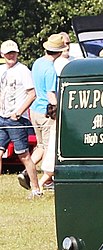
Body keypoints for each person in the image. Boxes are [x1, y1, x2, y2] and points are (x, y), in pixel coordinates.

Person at [21, 33, 67, 191]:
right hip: (46, 112)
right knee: (49, 147)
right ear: (60, 52)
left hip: (34, 110)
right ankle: (46, 181)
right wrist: (58, 110)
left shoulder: (37, 63)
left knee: (40, 145)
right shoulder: (50, 70)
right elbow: (51, 95)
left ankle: (26, 171)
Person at [0, 40, 40, 197]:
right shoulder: (1, 70)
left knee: (23, 154)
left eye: (13, 53)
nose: (11, 56)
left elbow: (32, 94)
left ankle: (36, 189)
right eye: (8, 53)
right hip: (2, 117)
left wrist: (18, 112)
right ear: (2, 55)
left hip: (17, 119)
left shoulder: (23, 71)